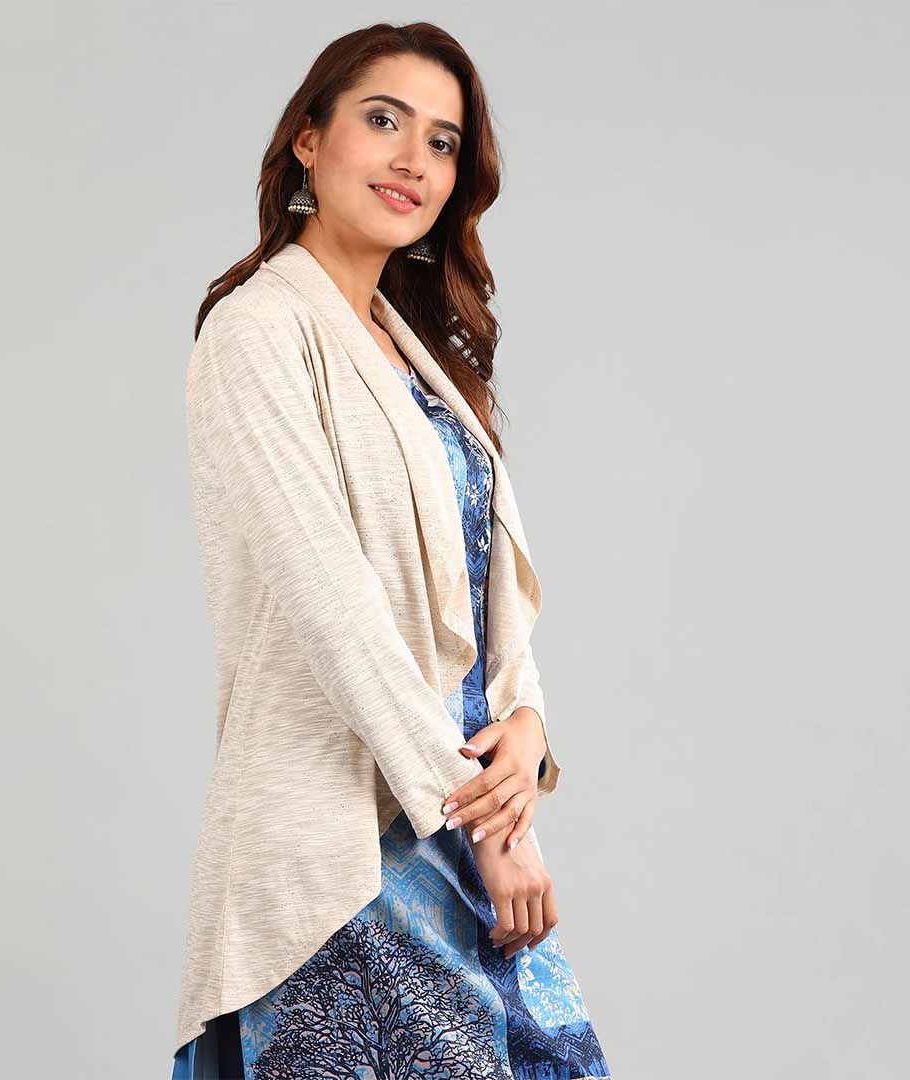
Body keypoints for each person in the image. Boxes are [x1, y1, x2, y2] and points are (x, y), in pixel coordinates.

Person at [172, 21, 611, 1079]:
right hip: (345, 849)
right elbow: (330, 600)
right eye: (383, 121)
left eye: (443, 142)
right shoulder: (258, 330)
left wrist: (527, 722)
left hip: (458, 811)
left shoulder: (419, 355)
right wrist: (486, 828)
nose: (415, 159)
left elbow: (486, 580)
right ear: (308, 139)